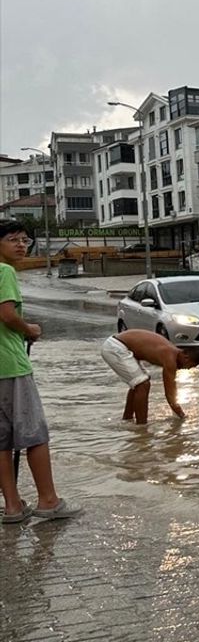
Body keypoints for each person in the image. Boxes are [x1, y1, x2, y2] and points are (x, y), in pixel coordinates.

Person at [0, 221, 79, 523]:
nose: (21, 245)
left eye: (25, 240)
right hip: (11, 365)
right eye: (13, 240)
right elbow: (7, 314)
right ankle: (48, 501)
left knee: (2, 440)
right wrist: (28, 329)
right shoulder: (5, 272)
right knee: (35, 433)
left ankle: (12, 506)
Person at [102, 330, 199, 425]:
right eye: (190, 366)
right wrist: (182, 416)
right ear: (186, 358)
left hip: (118, 345)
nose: (187, 369)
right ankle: (141, 427)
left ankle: (128, 420)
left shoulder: (173, 352)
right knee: (142, 384)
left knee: (140, 383)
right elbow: (170, 393)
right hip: (115, 347)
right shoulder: (170, 359)